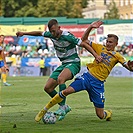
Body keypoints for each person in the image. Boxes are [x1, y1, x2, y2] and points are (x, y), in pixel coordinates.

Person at [33, 20, 133, 122]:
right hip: (87, 77)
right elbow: (84, 40)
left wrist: (131, 67)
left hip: (98, 84)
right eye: (107, 41)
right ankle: (45, 110)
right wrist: (90, 27)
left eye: (110, 42)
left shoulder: (117, 56)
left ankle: (108, 114)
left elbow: (127, 66)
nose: (108, 43)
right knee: (66, 91)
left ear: (116, 44)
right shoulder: (100, 48)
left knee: (100, 115)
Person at [16, 19, 102, 121]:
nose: (53, 33)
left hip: (74, 63)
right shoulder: (51, 35)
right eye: (51, 31)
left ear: (59, 28)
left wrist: (96, 55)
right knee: (48, 88)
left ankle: (62, 107)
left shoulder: (67, 36)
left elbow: (83, 44)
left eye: (54, 31)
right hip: (64, 64)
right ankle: (64, 106)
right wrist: (24, 33)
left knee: (61, 78)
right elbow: (39, 33)